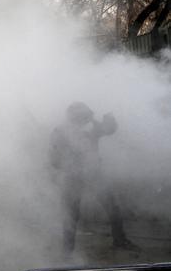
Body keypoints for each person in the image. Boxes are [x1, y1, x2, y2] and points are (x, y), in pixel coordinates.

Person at [49, 102, 140, 254]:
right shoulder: (60, 131)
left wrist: (110, 120)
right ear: (75, 117)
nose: (88, 120)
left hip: (93, 173)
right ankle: (67, 250)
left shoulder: (91, 127)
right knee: (71, 214)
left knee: (112, 207)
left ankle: (120, 240)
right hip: (73, 177)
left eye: (87, 117)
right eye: (84, 117)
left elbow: (109, 130)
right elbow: (54, 159)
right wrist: (70, 166)